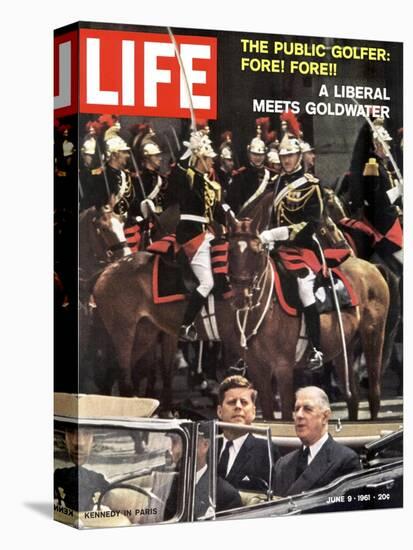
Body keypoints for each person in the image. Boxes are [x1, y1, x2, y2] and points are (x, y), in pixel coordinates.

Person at [259, 129, 325, 370]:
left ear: (299, 156)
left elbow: (312, 224)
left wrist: (278, 233)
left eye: (291, 156)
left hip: (302, 248)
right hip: (276, 248)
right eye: (283, 156)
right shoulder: (277, 183)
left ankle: (315, 348)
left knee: (304, 289)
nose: (286, 160)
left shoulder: (311, 185)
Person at [169, 129, 226, 341]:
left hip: (207, 233)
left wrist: (232, 222)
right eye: (209, 159)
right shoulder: (190, 177)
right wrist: (188, 153)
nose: (212, 163)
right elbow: (178, 175)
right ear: (200, 159)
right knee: (207, 283)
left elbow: (217, 210)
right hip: (192, 234)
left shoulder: (208, 182)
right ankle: (186, 324)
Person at [273, 386, 361, 497]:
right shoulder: (282, 464)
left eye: (307, 409)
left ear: (325, 417)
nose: (299, 415)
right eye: (296, 409)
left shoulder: (345, 461)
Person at [216, 376, 280, 493]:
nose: (238, 406)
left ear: (254, 412)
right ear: (220, 411)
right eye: (232, 402)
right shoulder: (207, 448)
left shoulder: (266, 450)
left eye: (244, 402)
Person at [54, 425, 109, 512]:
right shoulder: (56, 476)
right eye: (71, 432)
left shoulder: (99, 480)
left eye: (87, 433)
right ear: (65, 437)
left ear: (93, 440)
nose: (80, 442)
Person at [227, 122, 272, 214]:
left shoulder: (271, 175)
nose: (258, 157)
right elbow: (233, 202)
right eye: (255, 154)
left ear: (265, 155)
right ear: (249, 154)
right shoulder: (240, 175)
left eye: (260, 155)